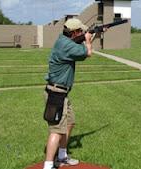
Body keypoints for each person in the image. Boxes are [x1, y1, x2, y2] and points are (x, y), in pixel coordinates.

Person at [42, 18, 96, 169]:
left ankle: (62, 156)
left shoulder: (64, 40)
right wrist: (88, 40)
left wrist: (91, 36)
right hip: (56, 94)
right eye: (81, 31)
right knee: (56, 131)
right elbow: (88, 53)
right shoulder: (66, 46)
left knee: (70, 122)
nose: (83, 32)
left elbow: (79, 45)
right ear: (74, 33)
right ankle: (48, 165)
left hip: (61, 93)